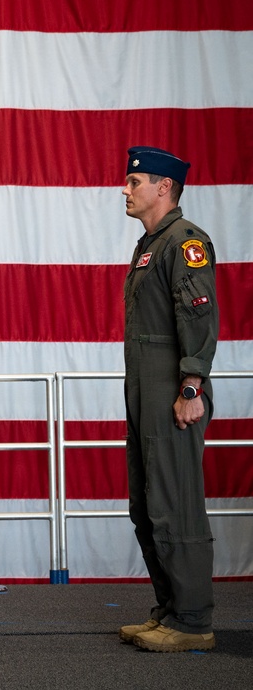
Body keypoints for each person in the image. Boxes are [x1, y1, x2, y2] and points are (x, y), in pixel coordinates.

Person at [118, 146, 218, 653]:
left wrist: (191, 388)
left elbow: (197, 320)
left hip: (172, 387)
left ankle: (193, 618)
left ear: (164, 187)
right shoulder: (150, 246)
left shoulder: (186, 241)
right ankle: (171, 610)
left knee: (176, 505)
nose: (125, 189)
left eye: (135, 181)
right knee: (147, 504)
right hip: (144, 387)